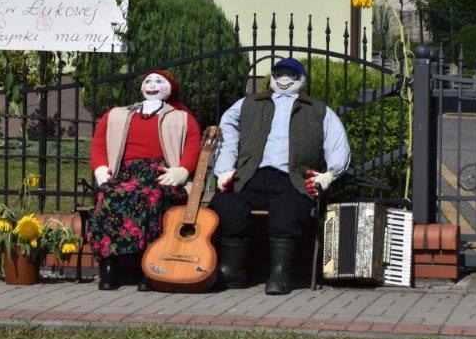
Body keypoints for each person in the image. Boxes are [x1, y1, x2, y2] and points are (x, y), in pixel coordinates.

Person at [209, 57, 351, 295]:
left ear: (301, 79)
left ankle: (279, 274)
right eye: (279, 74)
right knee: (228, 205)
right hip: (250, 176)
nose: (284, 79)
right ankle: (232, 271)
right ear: (272, 77)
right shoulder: (248, 104)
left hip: (293, 180)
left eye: (291, 75)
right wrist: (224, 169)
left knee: (286, 211)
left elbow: (337, 142)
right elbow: (227, 131)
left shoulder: (318, 109)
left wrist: (329, 174)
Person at [87, 70, 201, 291]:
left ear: (170, 88)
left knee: (150, 196)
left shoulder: (181, 117)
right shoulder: (116, 115)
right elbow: (99, 142)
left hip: (161, 173)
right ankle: (108, 265)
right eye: (148, 80)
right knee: (107, 194)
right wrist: (100, 167)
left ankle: (148, 266)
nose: (152, 84)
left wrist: (183, 170)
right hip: (124, 173)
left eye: (159, 81)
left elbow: (193, 143)